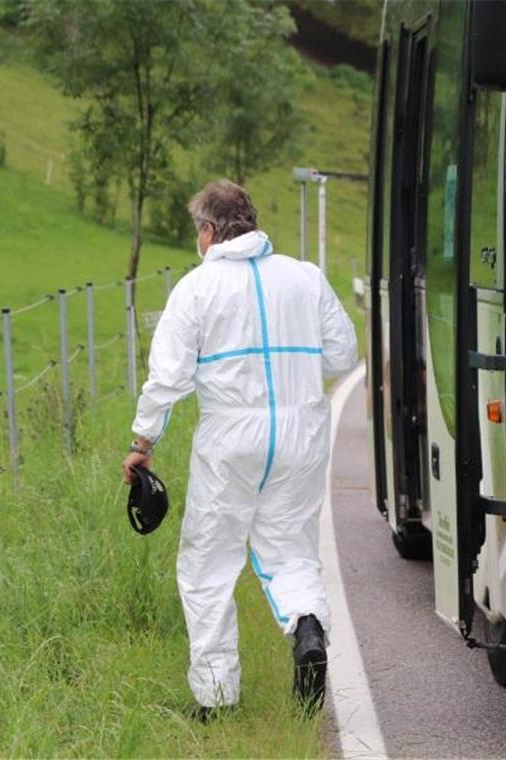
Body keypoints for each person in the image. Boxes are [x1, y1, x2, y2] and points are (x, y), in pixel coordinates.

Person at [121, 180, 358, 718]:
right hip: (301, 432)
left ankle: (216, 698)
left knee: (209, 562)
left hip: (230, 435)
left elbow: (168, 378)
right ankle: (308, 627)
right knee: (290, 548)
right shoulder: (305, 277)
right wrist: (296, 382)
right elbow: (344, 355)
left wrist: (143, 443)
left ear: (208, 231)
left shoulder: (196, 289)